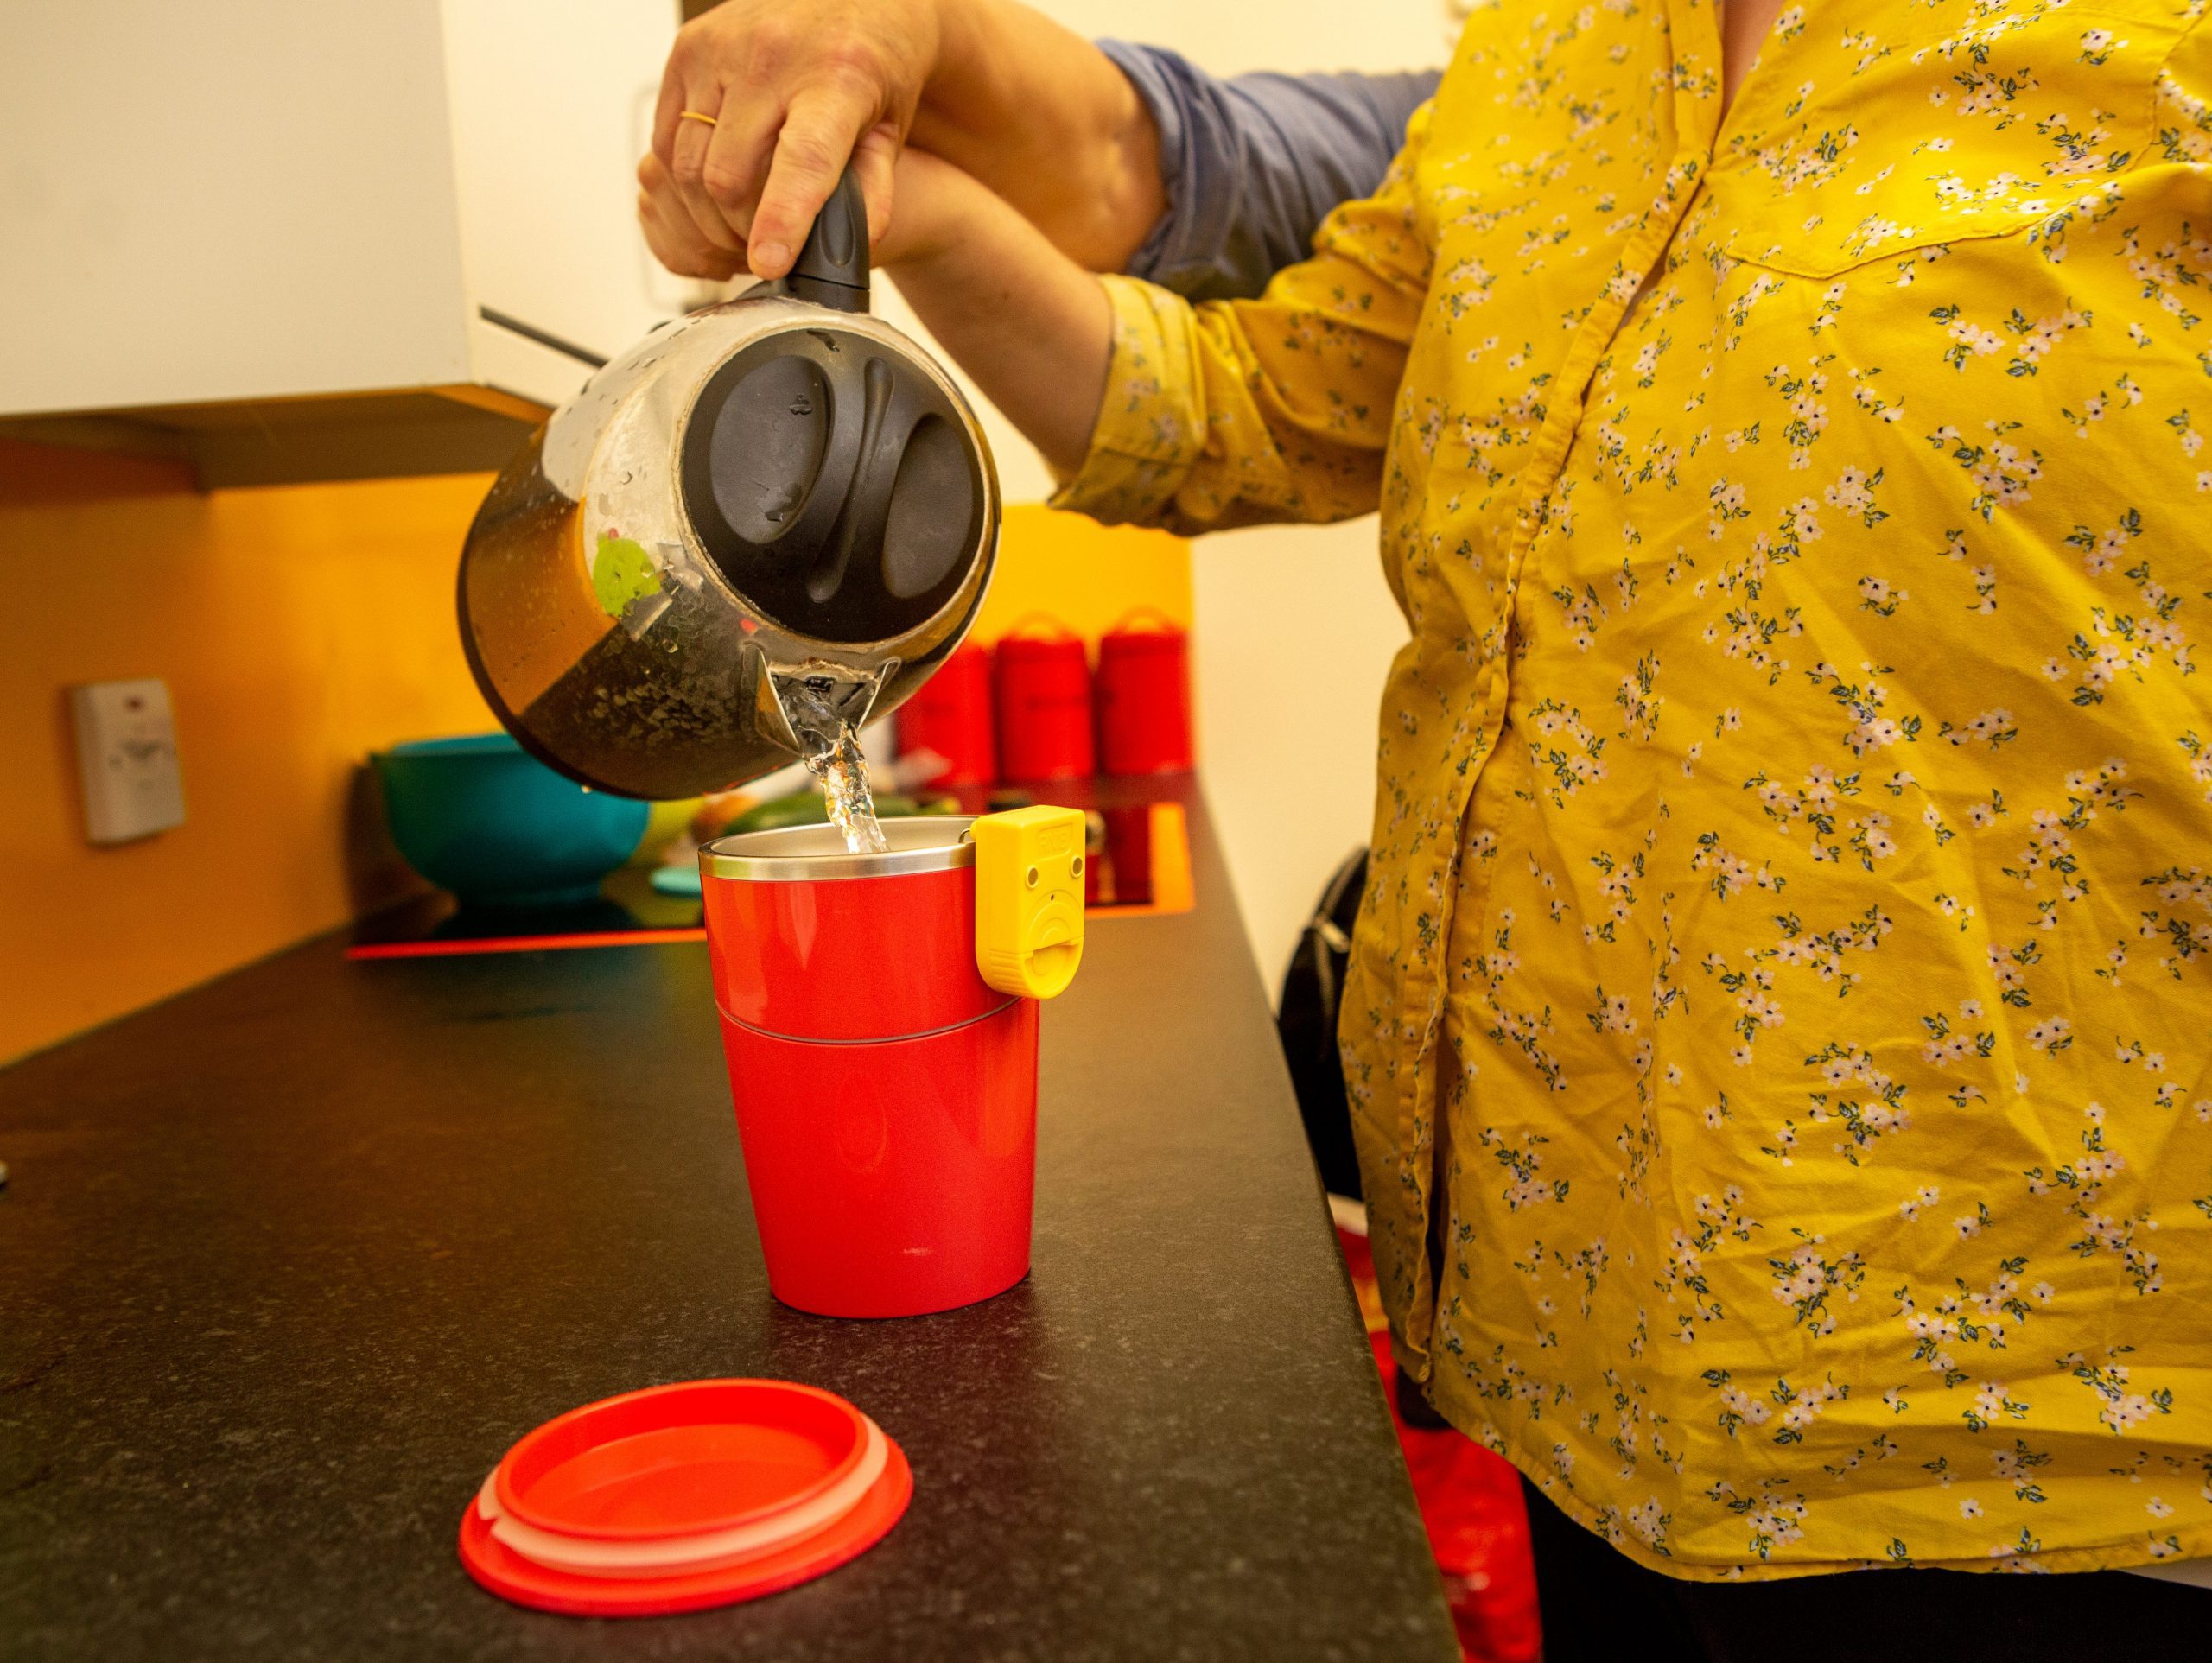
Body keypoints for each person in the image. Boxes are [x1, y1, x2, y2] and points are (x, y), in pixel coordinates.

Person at [640, 3, 2212, 1657]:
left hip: (2039, 1391)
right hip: (1600, 1345)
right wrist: (925, 214)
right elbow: (1246, 403)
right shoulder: (1553, 57)